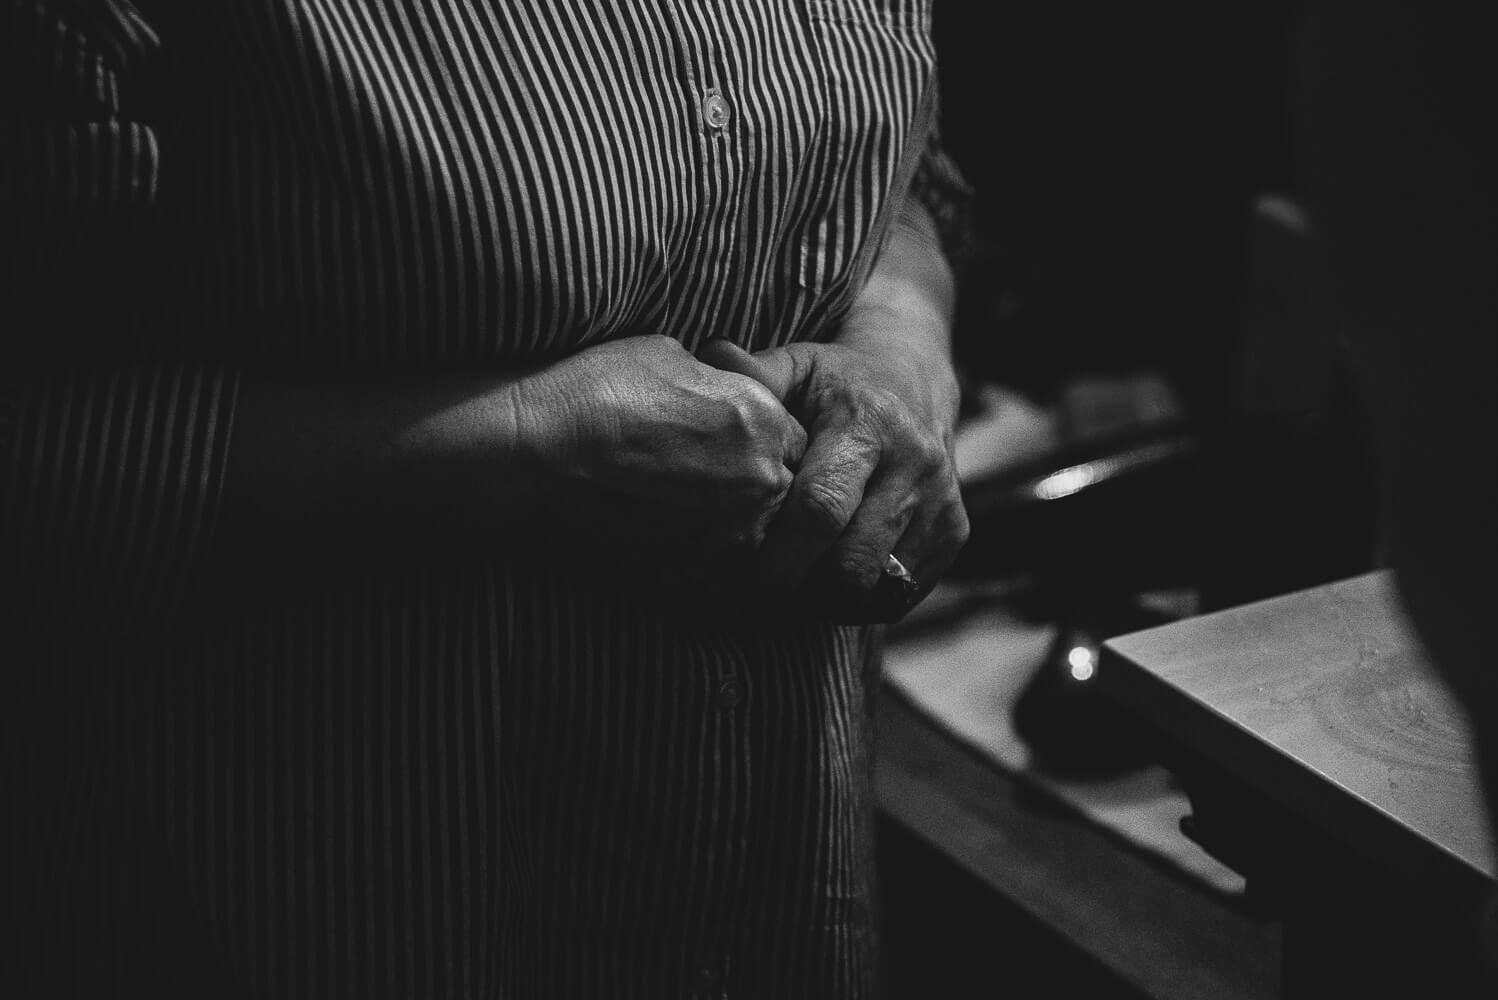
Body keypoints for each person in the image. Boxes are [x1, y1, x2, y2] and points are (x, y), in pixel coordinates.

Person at [0, 1, 971, 997]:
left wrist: (901, 348)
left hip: (777, 903)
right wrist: (523, 452)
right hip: (307, 920)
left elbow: (899, 172)